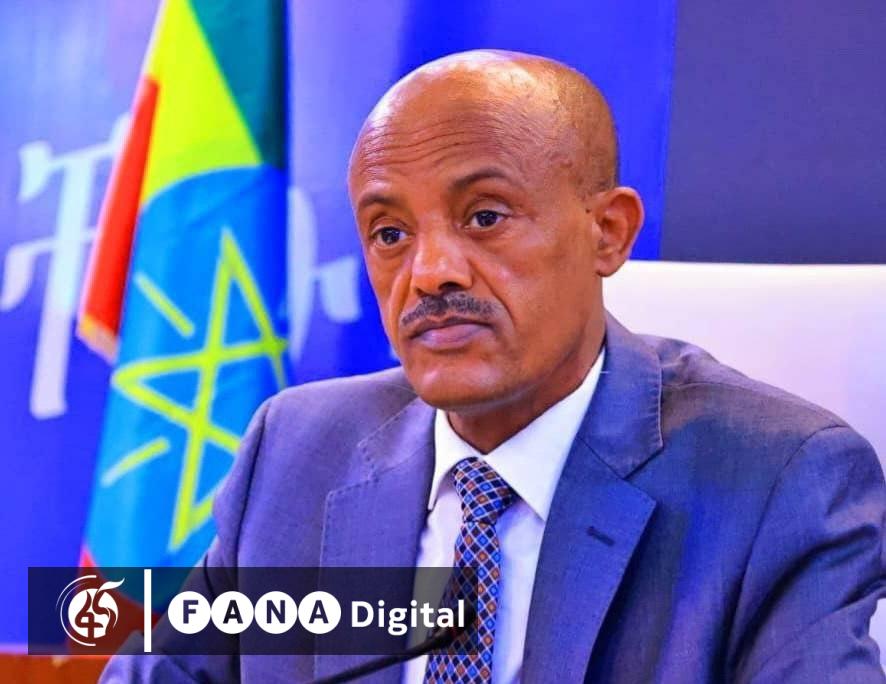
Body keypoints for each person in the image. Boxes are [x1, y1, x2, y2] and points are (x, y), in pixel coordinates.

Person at [101, 50, 886, 683]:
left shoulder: (780, 485)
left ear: (609, 232)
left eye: (484, 217)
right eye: (389, 233)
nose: (430, 272)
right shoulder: (298, 451)